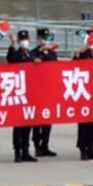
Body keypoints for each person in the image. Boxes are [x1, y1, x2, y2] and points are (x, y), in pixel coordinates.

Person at [7, 30, 37, 163]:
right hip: (19, 94)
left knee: (28, 124)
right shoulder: (16, 54)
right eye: (22, 39)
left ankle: (26, 150)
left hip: (30, 93)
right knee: (18, 124)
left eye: (26, 38)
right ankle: (17, 151)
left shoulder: (31, 54)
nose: (24, 41)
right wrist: (12, 44)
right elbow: (10, 59)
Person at [73, 27, 93, 161]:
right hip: (83, 92)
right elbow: (74, 66)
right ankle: (83, 148)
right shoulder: (83, 54)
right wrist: (78, 53)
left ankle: (90, 148)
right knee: (84, 123)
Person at [31, 28, 59, 157]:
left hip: (49, 90)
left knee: (48, 119)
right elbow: (29, 64)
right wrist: (40, 54)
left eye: (47, 37)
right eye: (43, 37)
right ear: (38, 39)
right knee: (38, 121)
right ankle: (37, 145)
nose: (45, 40)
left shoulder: (52, 53)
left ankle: (45, 145)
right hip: (37, 90)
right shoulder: (33, 53)